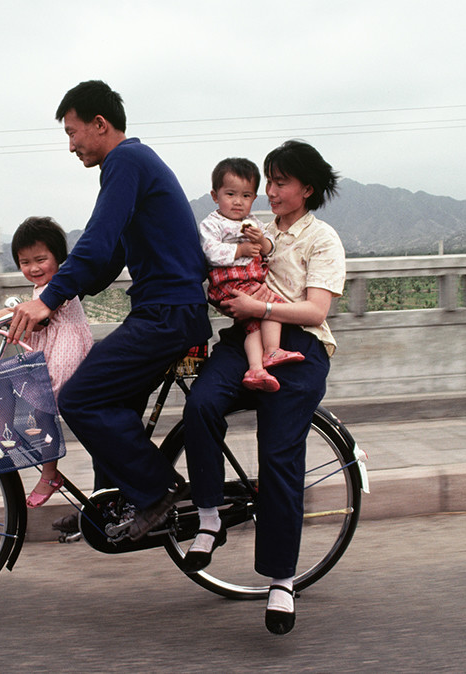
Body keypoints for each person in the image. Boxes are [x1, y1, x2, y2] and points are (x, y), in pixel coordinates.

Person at [6, 80, 212, 539]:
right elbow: (111, 256)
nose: (72, 144)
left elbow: (97, 241)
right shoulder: (134, 164)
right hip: (164, 310)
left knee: (80, 398)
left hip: (167, 314)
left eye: (73, 133)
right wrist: (57, 302)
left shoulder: (125, 161)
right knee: (111, 402)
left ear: (100, 124)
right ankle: (108, 505)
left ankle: (156, 491)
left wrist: (48, 298)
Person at [182, 140, 344, 635]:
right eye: (266, 183)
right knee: (201, 407)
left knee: (277, 453)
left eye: (279, 183)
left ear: (307, 189)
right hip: (242, 339)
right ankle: (208, 517)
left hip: (300, 347)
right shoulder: (252, 230)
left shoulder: (323, 239)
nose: (268, 193)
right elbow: (215, 263)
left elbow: (317, 311)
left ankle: (281, 579)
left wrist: (262, 309)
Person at [0, 217, 94, 509]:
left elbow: (39, 320)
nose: (33, 268)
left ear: (58, 259)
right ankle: (7, 433)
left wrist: (4, 317)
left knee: (42, 405)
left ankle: (49, 473)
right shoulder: (38, 291)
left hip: (64, 353)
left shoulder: (61, 286)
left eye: (41, 259)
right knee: (1, 376)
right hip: (48, 352)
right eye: (24, 262)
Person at [199, 157, 305, 393]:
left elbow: (270, 247)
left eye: (246, 196)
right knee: (271, 306)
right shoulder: (212, 224)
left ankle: (257, 368)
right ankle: (271, 351)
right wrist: (241, 249)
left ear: (254, 199)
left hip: (249, 282)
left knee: (256, 323)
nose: (238, 202)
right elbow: (211, 252)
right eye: (230, 194)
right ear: (215, 196)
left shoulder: (253, 222)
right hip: (230, 284)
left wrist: (262, 243)